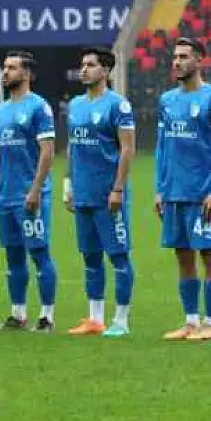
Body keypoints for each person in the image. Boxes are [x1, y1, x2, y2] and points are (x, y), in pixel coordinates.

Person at [155, 37, 211, 342]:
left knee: (209, 256)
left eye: (184, 57)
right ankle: (190, 321)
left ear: (200, 60)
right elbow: (162, 148)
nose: (177, 62)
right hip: (174, 192)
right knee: (182, 256)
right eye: (175, 57)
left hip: (202, 194)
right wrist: (160, 189)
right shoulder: (167, 101)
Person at [64, 46, 137, 338]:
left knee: (118, 256)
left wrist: (118, 189)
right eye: (82, 65)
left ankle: (121, 320)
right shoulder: (75, 106)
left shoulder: (118, 106)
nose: (84, 70)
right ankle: (95, 318)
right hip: (83, 194)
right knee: (90, 257)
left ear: (106, 71)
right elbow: (71, 148)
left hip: (108, 196)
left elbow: (128, 148)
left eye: (91, 65)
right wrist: (68, 185)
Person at [0, 50, 59, 333]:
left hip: (29, 195)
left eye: (12, 68)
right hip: (6, 196)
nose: (5, 72)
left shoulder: (39, 107)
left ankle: (47, 316)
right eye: (5, 67)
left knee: (39, 253)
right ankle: (17, 314)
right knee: (13, 255)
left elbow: (48, 151)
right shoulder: (2, 109)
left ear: (27, 74)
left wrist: (36, 190)